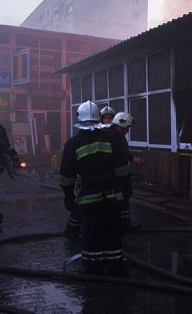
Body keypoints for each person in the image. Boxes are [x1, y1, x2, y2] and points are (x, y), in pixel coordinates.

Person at [59, 100, 130, 276]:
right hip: (112, 193)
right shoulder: (112, 138)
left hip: (89, 196)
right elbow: (122, 167)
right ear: (99, 118)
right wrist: (126, 189)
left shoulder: (73, 143)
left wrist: (68, 196)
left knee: (92, 231)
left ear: (79, 119)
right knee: (112, 230)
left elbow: (67, 175)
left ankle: (94, 266)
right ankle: (114, 264)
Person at [109, 112, 144, 232]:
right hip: (115, 178)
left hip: (122, 177)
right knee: (119, 201)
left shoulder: (119, 137)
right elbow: (117, 156)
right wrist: (132, 158)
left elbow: (123, 153)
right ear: (121, 125)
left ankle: (125, 225)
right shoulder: (111, 137)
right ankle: (119, 226)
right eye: (127, 127)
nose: (128, 130)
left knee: (124, 200)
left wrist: (133, 158)